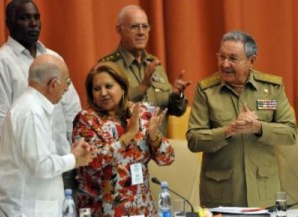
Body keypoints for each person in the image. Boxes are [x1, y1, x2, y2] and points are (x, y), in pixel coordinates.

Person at [186, 31, 297, 208]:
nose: (225, 64)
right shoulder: (206, 90)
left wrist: (258, 127)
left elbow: (290, 134)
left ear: (251, 61)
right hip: (220, 196)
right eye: (221, 57)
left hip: (264, 193)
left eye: (233, 58)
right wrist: (228, 131)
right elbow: (194, 140)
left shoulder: (272, 88)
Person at [0, 54, 96, 217]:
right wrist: (74, 160)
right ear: (53, 84)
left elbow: (39, 157)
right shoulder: (31, 113)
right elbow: (41, 165)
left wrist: (71, 154)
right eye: (67, 83)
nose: (66, 89)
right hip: (26, 210)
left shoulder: (31, 107)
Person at [73, 61, 174, 216]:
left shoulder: (142, 112)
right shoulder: (86, 120)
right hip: (103, 210)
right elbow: (91, 161)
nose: (103, 93)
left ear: (122, 87)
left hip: (142, 209)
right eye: (97, 89)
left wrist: (155, 137)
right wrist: (126, 137)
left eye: (108, 86)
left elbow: (167, 158)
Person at [0, 0, 81, 156]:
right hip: (28, 164)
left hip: (64, 157)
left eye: (36, 17)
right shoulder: (2, 63)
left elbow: (72, 108)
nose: (33, 23)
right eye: (25, 18)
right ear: (9, 23)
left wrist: (74, 147)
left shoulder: (54, 58)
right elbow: (1, 119)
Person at [99, 5, 191, 136]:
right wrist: (142, 87)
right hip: (125, 150)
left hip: (158, 150)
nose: (141, 32)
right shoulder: (108, 67)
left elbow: (177, 111)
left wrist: (177, 96)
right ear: (119, 30)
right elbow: (107, 109)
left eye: (145, 26)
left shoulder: (156, 65)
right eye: (134, 27)